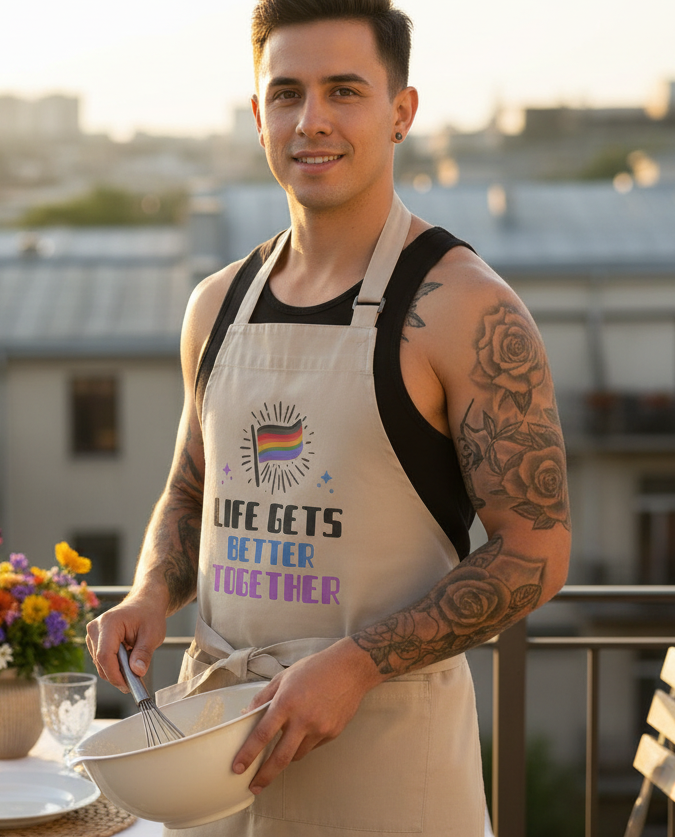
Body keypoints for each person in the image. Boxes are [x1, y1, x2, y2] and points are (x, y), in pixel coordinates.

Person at [87, 1, 571, 833]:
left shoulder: (465, 309)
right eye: (286, 94)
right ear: (257, 115)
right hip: (213, 761)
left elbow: (537, 553)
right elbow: (192, 486)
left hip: (386, 765)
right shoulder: (215, 305)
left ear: (400, 112)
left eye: (344, 91)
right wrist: (150, 593)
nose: (311, 121)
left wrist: (354, 664)